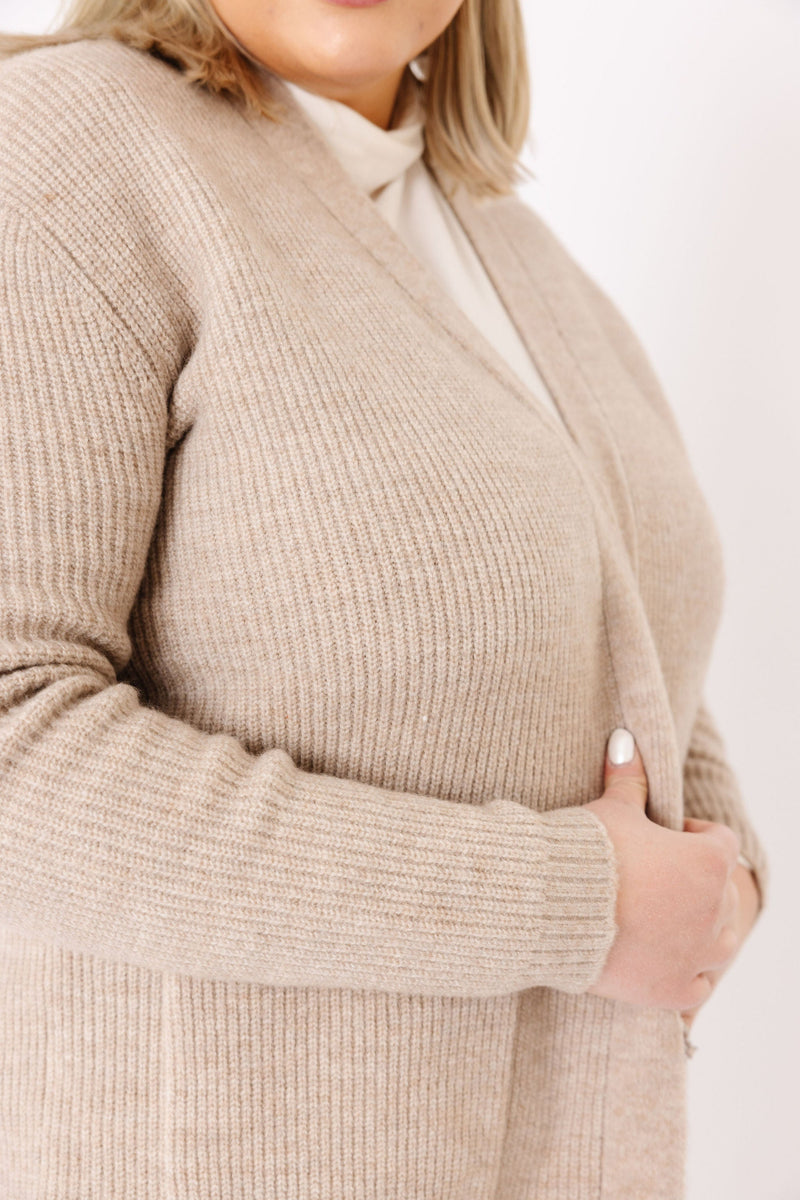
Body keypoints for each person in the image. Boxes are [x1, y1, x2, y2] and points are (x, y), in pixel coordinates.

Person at [0, 1, 768, 1197]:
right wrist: (577, 901)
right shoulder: (66, 146)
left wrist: (719, 872)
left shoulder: (498, 236)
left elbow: (623, 624)